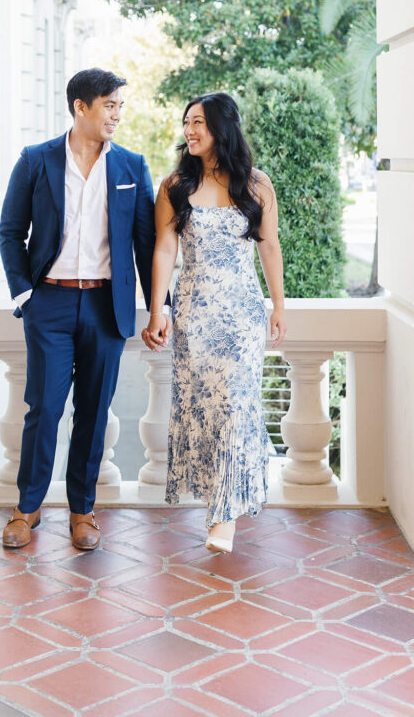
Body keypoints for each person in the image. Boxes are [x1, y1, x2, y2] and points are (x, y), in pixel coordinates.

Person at [0, 68, 169, 550]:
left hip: (105, 304)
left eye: (120, 106)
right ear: (81, 107)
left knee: (93, 413)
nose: (116, 114)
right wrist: (25, 294)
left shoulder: (131, 167)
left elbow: (146, 243)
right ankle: (26, 510)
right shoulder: (37, 160)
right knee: (44, 408)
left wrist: (159, 307)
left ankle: (82, 511)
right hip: (48, 302)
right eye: (109, 105)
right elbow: (11, 231)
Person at [142, 92, 286, 554]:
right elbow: (164, 250)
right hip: (195, 316)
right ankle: (219, 500)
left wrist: (278, 306)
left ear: (222, 127)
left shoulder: (257, 184)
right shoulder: (174, 186)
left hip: (242, 315)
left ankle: (222, 517)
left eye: (199, 121)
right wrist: (157, 309)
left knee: (236, 404)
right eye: (186, 122)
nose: (190, 130)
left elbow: (269, 247)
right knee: (206, 409)